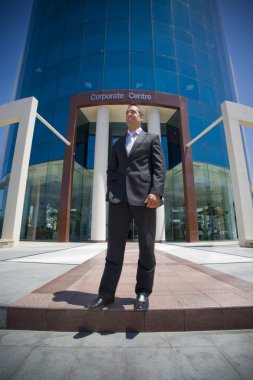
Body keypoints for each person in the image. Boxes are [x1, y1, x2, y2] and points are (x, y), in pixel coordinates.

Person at [88, 103, 166, 311]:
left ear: (141, 117)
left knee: (147, 247)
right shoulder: (117, 143)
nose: (129, 114)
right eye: (127, 112)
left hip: (145, 199)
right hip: (119, 200)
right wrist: (112, 191)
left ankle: (142, 293)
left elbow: (159, 169)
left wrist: (156, 192)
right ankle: (106, 294)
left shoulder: (151, 139)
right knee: (114, 249)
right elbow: (111, 169)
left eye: (133, 112)